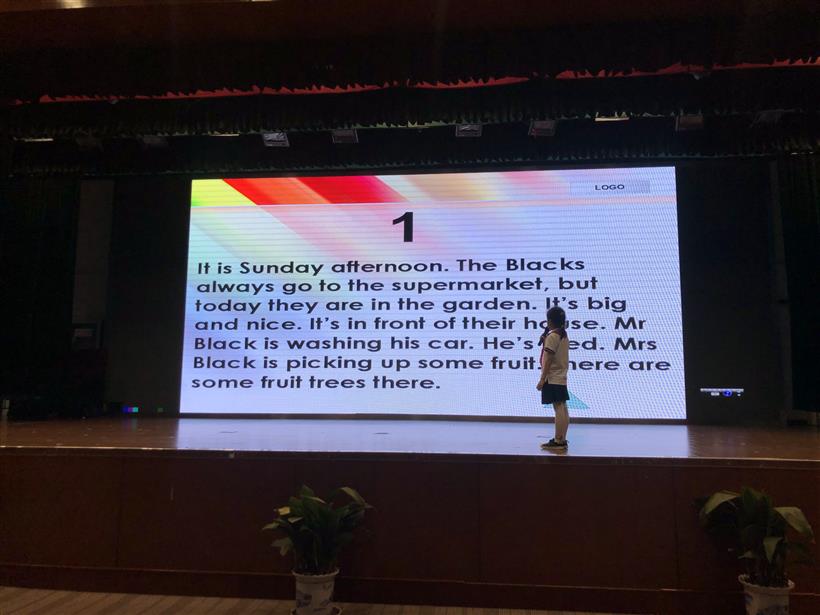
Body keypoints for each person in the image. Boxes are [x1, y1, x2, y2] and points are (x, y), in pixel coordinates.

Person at [536, 306, 570, 449]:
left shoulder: (553, 336)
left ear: (549, 321)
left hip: (552, 376)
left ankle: (558, 440)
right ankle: (561, 439)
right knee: (562, 406)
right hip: (560, 375)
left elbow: (548, 359)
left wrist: (542, 379)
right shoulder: (563, 335)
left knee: (558, 407)